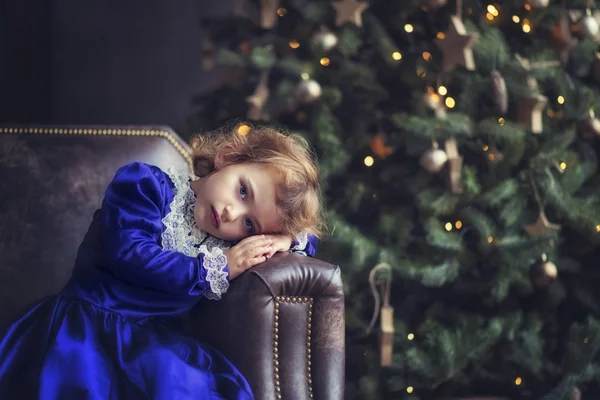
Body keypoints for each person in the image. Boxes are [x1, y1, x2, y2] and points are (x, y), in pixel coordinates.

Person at [0, 124, 325, 399]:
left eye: (251, 224)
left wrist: (284, 238)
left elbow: (309, 241)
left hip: (152, 344)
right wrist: (217, 268)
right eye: (243, 191)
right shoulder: (147, 186)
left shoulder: (228, 238)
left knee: (190, 384)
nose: (232, 214)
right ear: (227, 157)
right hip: (86, 327)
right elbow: (130, 254)